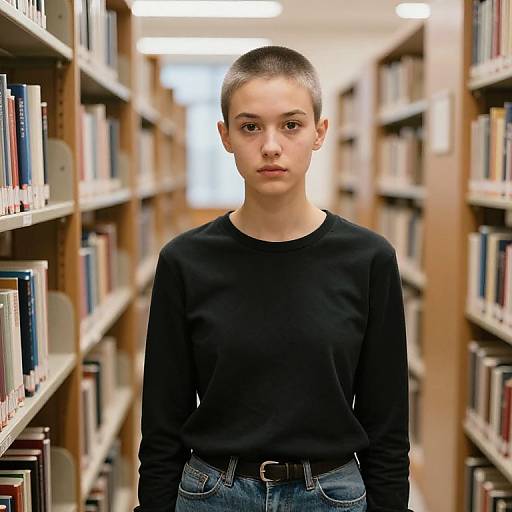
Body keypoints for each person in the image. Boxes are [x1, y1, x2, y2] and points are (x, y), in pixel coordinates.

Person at [134, 45, 412, 512]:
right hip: (211, 494)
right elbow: (163, 420)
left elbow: (387, 421)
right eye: (249, 127)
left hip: (332, 495)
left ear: (319, 132)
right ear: (224, 136)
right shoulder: (184, 261)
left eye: (290, 125)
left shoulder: (369, 259)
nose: (270, 146)